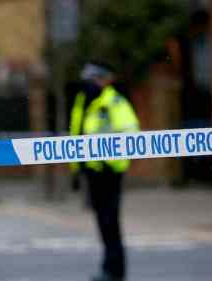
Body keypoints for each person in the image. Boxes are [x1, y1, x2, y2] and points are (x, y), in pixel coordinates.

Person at [70, 63, 140, 281]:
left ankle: (115, 270)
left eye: (94, 79)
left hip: (110, 173)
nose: (90, 83)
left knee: (110, 222)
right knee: (102, 222)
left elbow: (131, 133)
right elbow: (77, 135)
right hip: (92, 173)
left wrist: (113, 162)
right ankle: (109, 267)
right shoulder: (84, 101)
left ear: (105, 80)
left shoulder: (114, 102)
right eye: (89, 80)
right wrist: (76, 168)